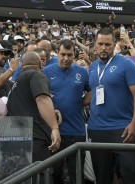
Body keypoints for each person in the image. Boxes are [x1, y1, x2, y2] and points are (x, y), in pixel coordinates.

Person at [87, 28, 135, 184]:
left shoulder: (127, 63)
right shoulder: (92, 67)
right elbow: (93, 93)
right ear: (95, 44)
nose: (104, 48)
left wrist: (134, 124)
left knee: (130, 175)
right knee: (102, 178)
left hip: (123, 129)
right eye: (100, 44)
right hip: (97, 129)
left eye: (108, 44)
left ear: (114, 45)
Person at [7, 51, 61, 183]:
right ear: (41, 63)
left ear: (22, 65)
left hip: (15, 139)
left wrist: (51, 113)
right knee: (40, 177)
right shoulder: (36, 75)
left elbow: (27, 106)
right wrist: (54, 127)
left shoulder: (16, 82)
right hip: (35, 139)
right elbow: (42, 99)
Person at [42, 39, 90, 184]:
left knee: (77, 175)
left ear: (74, 55)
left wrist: (80, 103)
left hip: (76, 131)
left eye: (70, 55)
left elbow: (92, 90)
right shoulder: (46, 72)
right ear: (57, 53)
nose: (66, 58)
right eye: (63, 54)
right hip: (53, 131)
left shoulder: (82, 72)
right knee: (55, 174)